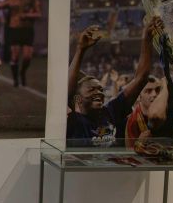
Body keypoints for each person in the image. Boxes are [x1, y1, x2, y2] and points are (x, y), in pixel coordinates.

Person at [67, 16, 160, 147]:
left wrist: (147, 39)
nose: (98, 92)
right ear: (78, 99)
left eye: (100, 89)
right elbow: (67, 92)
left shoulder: (111, 111)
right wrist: (80, 49)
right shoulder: (74, 121)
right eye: (91, 89)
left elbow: (141, 78)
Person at [0, 0, 42, 87]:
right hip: (14, 30)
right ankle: (16, 79)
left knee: (27, 57)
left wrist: (27, 15)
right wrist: (7, 3)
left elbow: (39, 14)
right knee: (15, 56)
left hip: (27, 30)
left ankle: (22, 73)